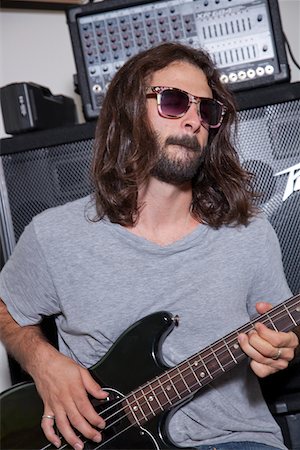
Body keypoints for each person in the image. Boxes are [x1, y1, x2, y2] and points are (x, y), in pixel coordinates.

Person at [0, 42, 299, 450]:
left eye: (207, 111)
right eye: (175, 102)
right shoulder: (54, 235)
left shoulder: (248, 231)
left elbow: (282, 335)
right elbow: (5, 307)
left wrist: (282, 350)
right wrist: (44, 363)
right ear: (128, 114)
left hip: (234, 439)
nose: (194, 119)